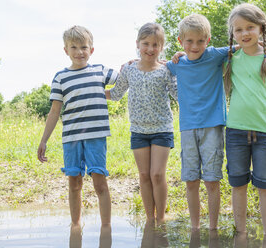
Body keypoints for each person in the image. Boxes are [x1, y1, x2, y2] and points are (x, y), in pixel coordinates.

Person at [168, 13, 266, 231]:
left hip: (247, 130)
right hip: (223, 131)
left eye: (250, 27)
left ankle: (265, 237)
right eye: (238, 29)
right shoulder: (187, 62)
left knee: (258, 184)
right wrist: (134, 61)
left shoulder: (255, 56)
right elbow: (157, 65)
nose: (195, 46)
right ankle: (227, 233)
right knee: (224, 183)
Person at [37, 25, 118, 231]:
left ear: (91, 50)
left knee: (99, 182)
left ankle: (106, 228)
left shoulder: (100, 70)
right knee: (74, 183)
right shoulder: (60, 77)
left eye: (84, 47)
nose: (79, 52)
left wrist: (145, 63)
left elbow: (126, 80)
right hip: (71, 138)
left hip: (96, 136)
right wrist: (44, 140)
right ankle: (75, 225)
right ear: (66, 50)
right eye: (73, 47)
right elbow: (55, 111)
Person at [223, 3, 266, 247]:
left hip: (265, 134)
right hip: (236, 132)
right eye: (238, 30)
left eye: (250, 27)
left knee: (265, 186)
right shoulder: (230, 57)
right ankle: (240, 235)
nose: (244, 33)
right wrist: (173, 58)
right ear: (232, 34)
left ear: (261, 28)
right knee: (238, 184)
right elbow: (199, 54)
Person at [105, 23, 177, 225]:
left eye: (155, 44)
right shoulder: (128, 69)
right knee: (144, 174)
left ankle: (161, 218)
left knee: (157, 174)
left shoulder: (166, 70)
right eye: (146, 44)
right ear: (137, 44)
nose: (150, 49)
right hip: (138, 130)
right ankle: (149, 219)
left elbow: (180, 94)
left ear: (162, 47)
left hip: (162, 129)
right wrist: (91, 93)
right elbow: (116, 93)